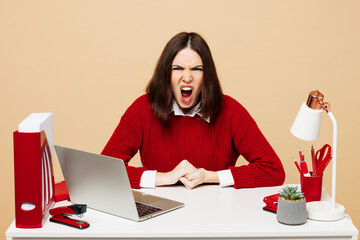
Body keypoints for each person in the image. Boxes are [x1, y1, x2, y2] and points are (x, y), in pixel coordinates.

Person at [101, 32, 285, 190]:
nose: (187, 77)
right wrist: (165, 178)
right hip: (158, 220)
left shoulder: (230, 110)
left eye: (196, 69)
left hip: (216, 216)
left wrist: (210, 177)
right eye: (178, 68)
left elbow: (273, 171)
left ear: (207, 75)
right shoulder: (142, 109)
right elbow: (104, 171)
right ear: (166, 74)